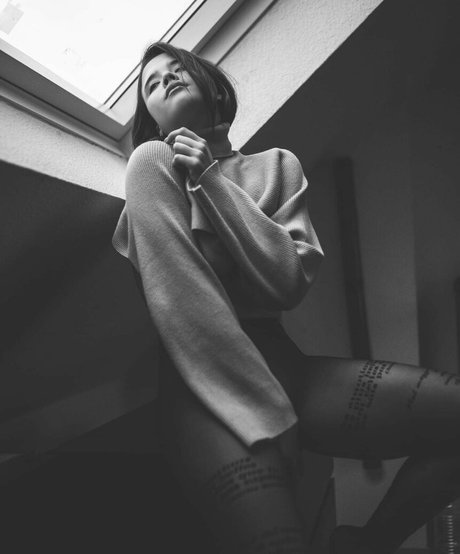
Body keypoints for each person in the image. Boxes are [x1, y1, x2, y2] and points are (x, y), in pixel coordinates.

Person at [111, 41, 460, 554]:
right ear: (153, 120)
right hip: (202, 382)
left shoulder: (277, 166)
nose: (164, 79)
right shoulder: (152, 164)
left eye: (176, 67)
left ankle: (367, 543)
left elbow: (287, 282)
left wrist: (210, 179)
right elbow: (180, 302)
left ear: (212, 86)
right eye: (150, 84)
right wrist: (272, 412)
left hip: (284, 364)